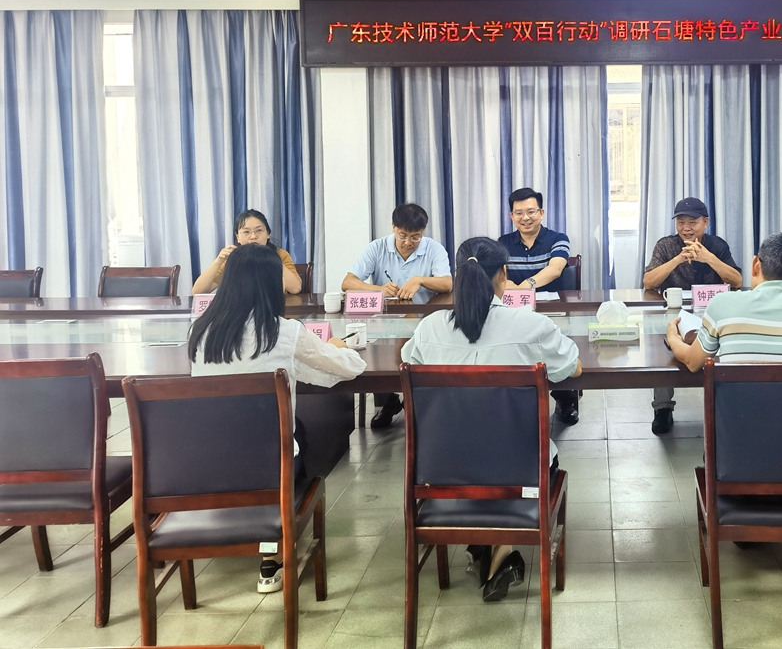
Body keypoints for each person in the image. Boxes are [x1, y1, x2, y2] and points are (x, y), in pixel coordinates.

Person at [401, 236, 581, 603]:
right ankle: (499, 551)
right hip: (521, 470)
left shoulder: (429, 328)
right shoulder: (529, 325)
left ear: (458, 275)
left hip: (443, 469)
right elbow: (571, 367)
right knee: (508, 451)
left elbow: (408, 366)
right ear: (503, 274)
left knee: (476, 444)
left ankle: (489, 548)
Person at [189, 244, 366, 593]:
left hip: (209, 463)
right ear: (271, 284)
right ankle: (275, 541)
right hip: (270, 464)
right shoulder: (283, 331)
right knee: (299, 432)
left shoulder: (199, 330)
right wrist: (341, 347)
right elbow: (346, 368)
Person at [342, 203, 452, 428]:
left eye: (416, 237)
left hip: (424, 322)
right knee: (375, 351)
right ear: (393, 227)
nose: (408, 242)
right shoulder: (377, 247)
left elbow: (447, 283)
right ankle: (388, 402)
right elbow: (348, 282)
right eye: (403, 235)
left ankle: (418, 403)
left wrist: (420, 280)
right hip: (385, 323)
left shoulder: (434, 249)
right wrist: (378, 290)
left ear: (423, 232)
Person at [665, 232, 782, 371]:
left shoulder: (722, 304)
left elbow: (693, 362)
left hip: (737, 405)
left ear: (755, 265)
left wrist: (673, 338)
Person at [643, 197, 743, 434]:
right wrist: (678, 258)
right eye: (681, 222)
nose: (686, 228)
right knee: (662, 351)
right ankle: (663, 408)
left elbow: (737, 281)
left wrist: (708, 258)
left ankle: (724, 405)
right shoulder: (665, 245)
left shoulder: (717, 245)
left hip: (711, 315)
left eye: (692, 222)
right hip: (674, 314)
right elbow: (648, 282)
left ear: (705, 222)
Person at [497, 187, 580, 426]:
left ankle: (565, 399)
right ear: (512, 216)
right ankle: (518, 400)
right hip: (514, 312)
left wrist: (527, 285)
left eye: (531, 211)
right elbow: (498, 275)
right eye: (519, 213)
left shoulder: (558, 238)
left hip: (553, 311)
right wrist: (512, 287)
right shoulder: (502, 243)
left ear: (541, 213)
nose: (525, 217)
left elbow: (556, 268)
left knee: (554, 345)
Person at [192, 209, 302, 295]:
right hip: (240, 311)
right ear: (238, 237)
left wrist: (272, 258)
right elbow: (198, 291)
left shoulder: (280, 255)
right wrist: (218, 261)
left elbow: (295, 288)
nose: (253, 236)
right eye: (246, 232)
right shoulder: (233, 258)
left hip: (273, 310)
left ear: (268, 234)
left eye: (259, 230)